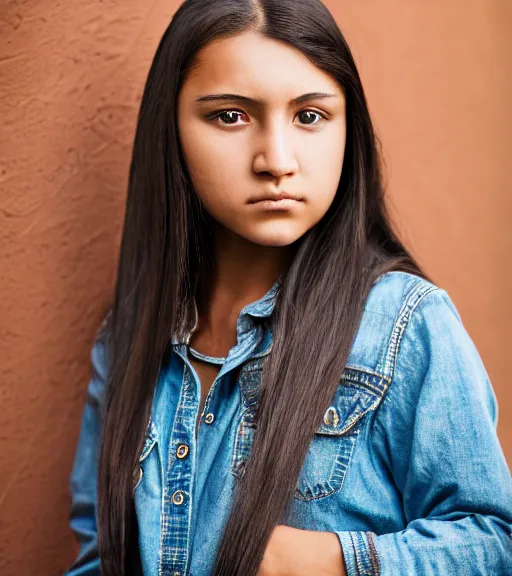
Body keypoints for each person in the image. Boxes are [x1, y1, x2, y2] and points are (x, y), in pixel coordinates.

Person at [64, 1, 512, 575]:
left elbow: (494, 542)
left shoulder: (404, 323)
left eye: (309, 117)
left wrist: (335, 562)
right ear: (170, 130)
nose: (276, 160)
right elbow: (98, 557)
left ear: (348, 128)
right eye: (230, 116)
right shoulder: (127, 338)